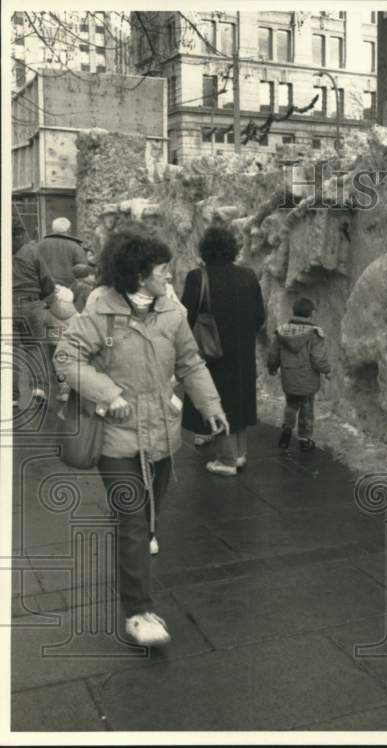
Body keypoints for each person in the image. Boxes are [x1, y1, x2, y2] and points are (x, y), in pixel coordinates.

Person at [54, 225, 229, 647]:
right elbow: (66, 356)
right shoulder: (99, 312)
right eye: (161, 270)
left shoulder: (173, 312)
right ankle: (138, 612)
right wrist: (107, 392)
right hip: (116, 439)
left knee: (149, 515)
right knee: (132, 521)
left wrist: (212, 406)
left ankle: (141, 541)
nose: (169, 277)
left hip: (162, 436)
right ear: (137, 275)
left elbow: (190, 362)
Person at [181, 226, 266, 476]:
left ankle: (227, 460)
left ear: (205, 250)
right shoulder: (248, 275)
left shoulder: (198, 277)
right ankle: (239, 454)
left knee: (218, 398)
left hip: (212, 351)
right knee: (239, 398)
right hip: (243, 350)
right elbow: (260, 315)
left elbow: (186, 317)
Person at [267, 297, 331, 451]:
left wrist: (272, 367)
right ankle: (304, 439)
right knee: (307, 407)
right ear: (310, 314)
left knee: (291, 404)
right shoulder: (314, 334)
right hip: (308, 379)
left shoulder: (282, 332)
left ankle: (287, 428)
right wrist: (326, 370)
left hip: (289, 378)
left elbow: (273, 354)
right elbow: (318, 359)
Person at [11, 223, 55, 404]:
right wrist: (45, 300)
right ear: (20, 234)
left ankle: (12, 396)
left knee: (11, 350)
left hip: (8, 304)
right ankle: (38, 389)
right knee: (35, 347)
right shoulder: (32, 251)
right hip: (32, 303)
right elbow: (47, 280)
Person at [34, 217, 88, 287]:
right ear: (69, 230)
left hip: (44, 288)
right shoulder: (75, 246)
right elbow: (83, 271)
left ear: (53, 229)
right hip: (68, 290)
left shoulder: (39, 245)